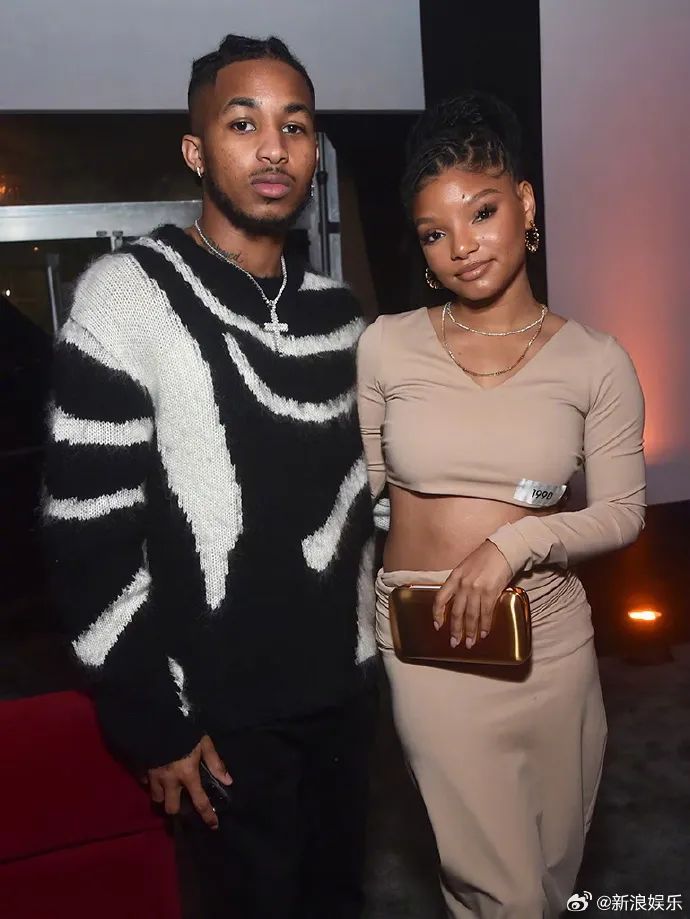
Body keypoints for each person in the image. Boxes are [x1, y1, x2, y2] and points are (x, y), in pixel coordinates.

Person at [43, 34, 376, 919]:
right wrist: (152, 718)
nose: (273, 148)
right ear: (196, 151)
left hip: (344, 703)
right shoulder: (128, 295)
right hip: (218, 724)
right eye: (243, 123)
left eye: (294, 127)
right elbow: (87, 532)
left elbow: (360, 507)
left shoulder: (340, 314)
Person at [357, 92, 645, 918]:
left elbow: (623, 512)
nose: (461, 246)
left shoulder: (596, 360)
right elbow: (358, 498)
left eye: (481, 212)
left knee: (550, 881)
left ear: (524, 203)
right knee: (504, 891)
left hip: (550, 642)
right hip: (429, 644)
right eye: (434, 232)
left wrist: (513, 544)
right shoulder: (387, 344)